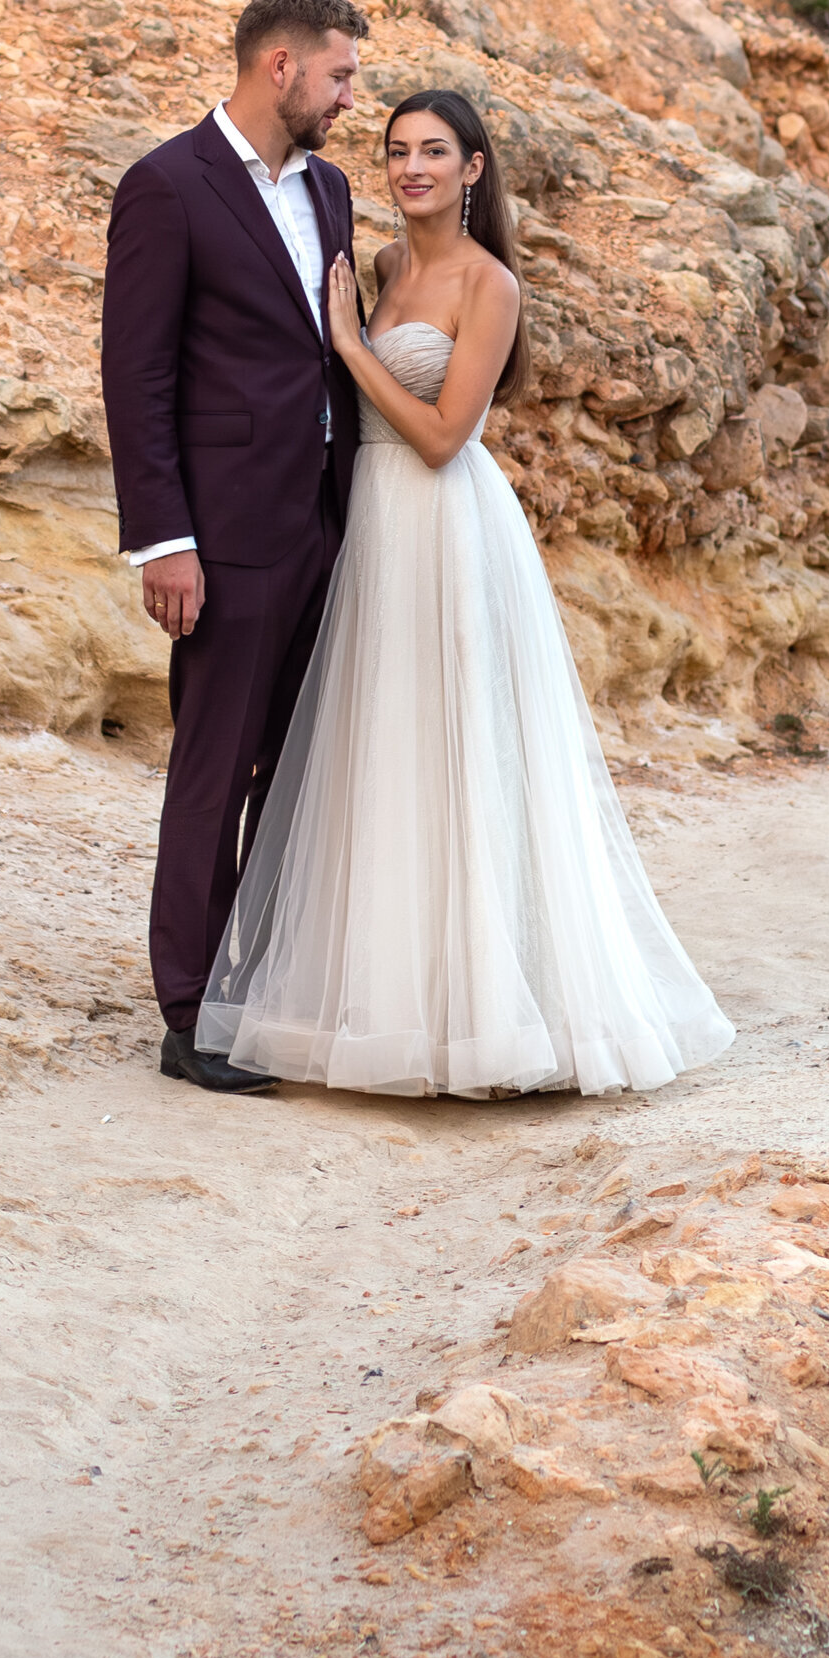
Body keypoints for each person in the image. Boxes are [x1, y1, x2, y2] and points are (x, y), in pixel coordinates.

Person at [197, 89, 734, 1097]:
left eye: (433, 151)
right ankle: (382, 1002)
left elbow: (445, 435)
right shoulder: (383, 264)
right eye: (396, 150)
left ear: (472, 168)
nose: (411, 168)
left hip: (444, 525)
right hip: (370, 526)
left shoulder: (490, 283)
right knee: (380, 751)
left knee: (457, 752)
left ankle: (482, 1016)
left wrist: (350, 345)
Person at [101, 0, 368, 1092]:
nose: (349, 98)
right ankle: (191, 1014)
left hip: (326, 519)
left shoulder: (332, 188)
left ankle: (264, 989)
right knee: (216, 769)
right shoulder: (167, 184)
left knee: (299, 771)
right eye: (339, 75)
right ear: (280, 66)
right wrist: (163, 537)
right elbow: (136, 375)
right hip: (224, 531)